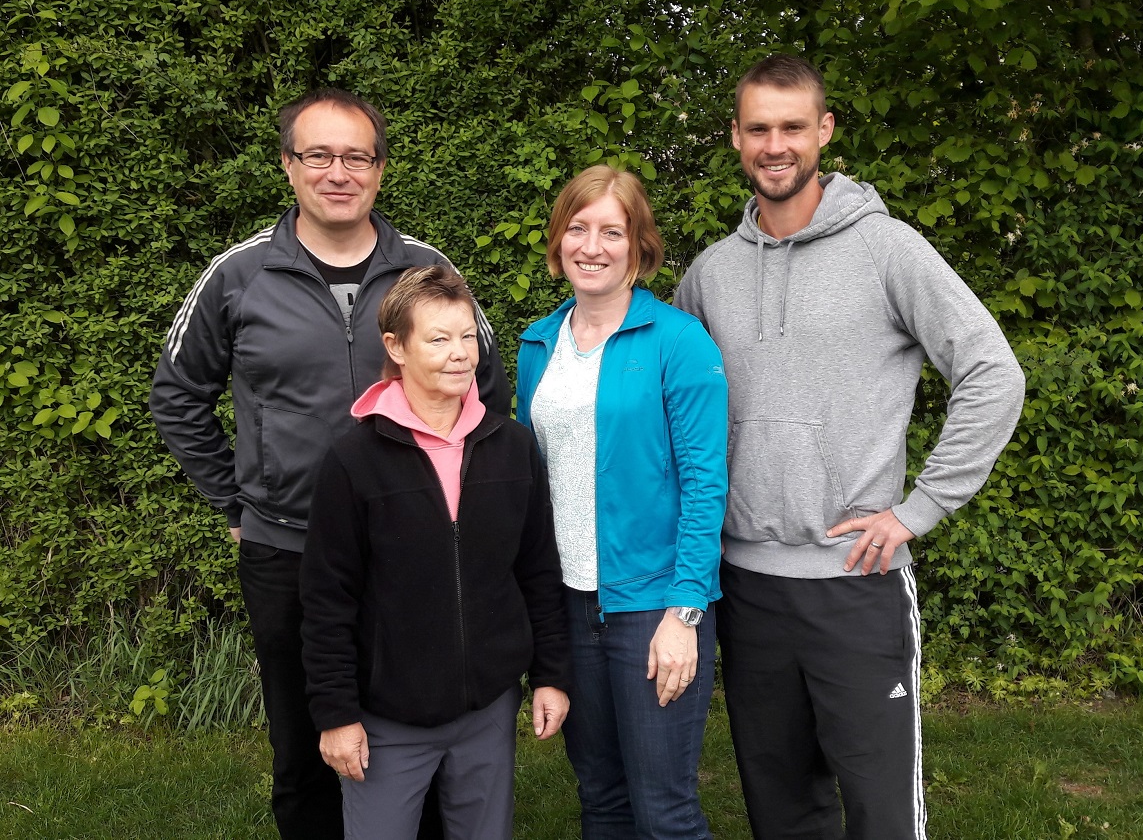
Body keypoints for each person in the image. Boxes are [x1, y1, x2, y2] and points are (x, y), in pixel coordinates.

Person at [674, 55, 1025, 840]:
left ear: (823, 131)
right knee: (780, 806)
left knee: (881, 811)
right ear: (735, 137)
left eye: (792, 126)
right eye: (758, 128)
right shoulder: (711, 274)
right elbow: (676, 409)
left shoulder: (886, 248)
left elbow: (992, 373)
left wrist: (920, 508)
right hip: (747, 586)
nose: (776, 144)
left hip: (855, 582)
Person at [149, 88, 510, 840]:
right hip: (289, 547)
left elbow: (489, 392)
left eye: (356, 155)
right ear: (288, 166)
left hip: (417, 550)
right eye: (318, 154)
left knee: (432, 728)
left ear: (379, 169)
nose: (337, 171)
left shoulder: (428, 269)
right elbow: (178, 393)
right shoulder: (238, 275)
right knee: (307, 742)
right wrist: (237, 504)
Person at [298, 265, 570, 840]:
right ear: (396, 347)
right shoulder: (354, 460)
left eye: (468, 336)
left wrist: (550, 675)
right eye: (439, 339)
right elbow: (327, 599)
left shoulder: (512, 447)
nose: (460, 354)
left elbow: (539, 572)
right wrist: (336, 714)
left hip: (487, 709)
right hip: (387, 716)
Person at [515, 165, 728, 840]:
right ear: (557, 241)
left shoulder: (677, 341)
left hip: (653, 607)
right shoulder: (536, 345)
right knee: (600, 797)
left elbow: (705, 482)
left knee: (664, 809)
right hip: (569, 606)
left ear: (638, 245)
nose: (592, 245)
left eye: (612, 230)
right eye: (577, 228)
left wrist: (684, 611)